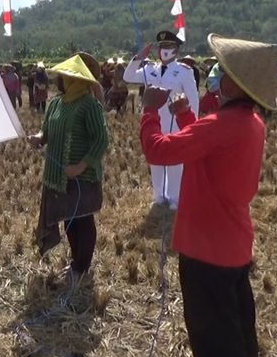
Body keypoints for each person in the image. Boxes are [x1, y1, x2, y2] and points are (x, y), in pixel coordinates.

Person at [139, 33, 277, 357]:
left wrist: (149, 112)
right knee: (238, 334)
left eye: (223, 71)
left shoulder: (221, 125)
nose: (218, 75)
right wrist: (187, 116)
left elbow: (158, 149)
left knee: (214, 345)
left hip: (206, 251)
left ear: (235, 84)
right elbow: (208, 150)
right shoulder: (251, 122)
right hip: (233, 245)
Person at [28, 55, 109, 283]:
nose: (58, 81)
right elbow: (47, 131)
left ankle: (81, 266)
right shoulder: (55, 103)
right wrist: (39, 138)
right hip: (58, 177)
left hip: (81, 177)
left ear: (76, 80)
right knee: (68, 220)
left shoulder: (89, 105)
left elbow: (101, 140)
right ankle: (76, 263)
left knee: (81, 221)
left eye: (63, 77)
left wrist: (80, 166)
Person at [123, 30, 199, 210]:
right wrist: (138, 58)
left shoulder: (184, 71)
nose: (165, 50)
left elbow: (193, 100)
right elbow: (128, 77)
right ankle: (159, 196)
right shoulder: (150, 70)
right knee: (156, 162)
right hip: (154, 124)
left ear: (176, 50)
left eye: (169, 46)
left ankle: (175, 197)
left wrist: (191, 126)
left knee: (175, 163)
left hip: (176, 124)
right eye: (162, 47)